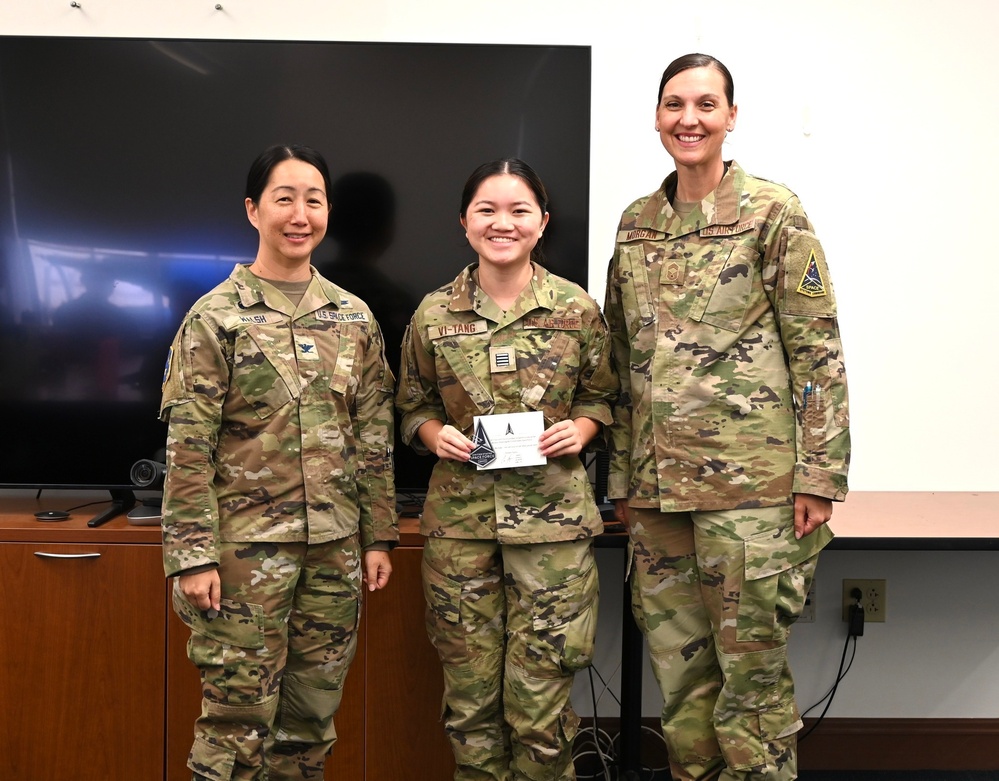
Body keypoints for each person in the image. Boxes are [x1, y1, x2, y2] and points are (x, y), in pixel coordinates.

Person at [604, 54, 851, 781]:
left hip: (752, 494)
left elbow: (817, 350)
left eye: (706, 105)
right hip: (655, 498)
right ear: (656, 116)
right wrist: (620, 475)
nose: (689, 118)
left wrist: (819, 476)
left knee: (750, 684)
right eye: (674, 104)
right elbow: (617, 360)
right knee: (681, 687)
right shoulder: (634, 225)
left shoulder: (772, 211)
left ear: (730, 117)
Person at [159, 144, 398, 781]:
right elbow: (188, 448)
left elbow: (372, 438)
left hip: (334, 552)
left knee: (312, 725)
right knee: (236, 725)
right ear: (253, 210)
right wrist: (193, 556)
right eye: (284, 198)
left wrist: (378, 537)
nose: (300, 213)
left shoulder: (353, 316)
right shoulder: (214, 318)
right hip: (242, 559)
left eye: (313, 199)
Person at [396, 158, 618, 781]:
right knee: (468, 706)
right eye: (487, 210)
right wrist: (435, 435)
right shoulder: (433, 314)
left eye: (519, 210)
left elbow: (605, 395)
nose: (503, 223)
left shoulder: (575, 309)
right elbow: (409, 406)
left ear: (542, 223)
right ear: (464, 222)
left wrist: (584, 427)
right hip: (460, 534)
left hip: (551, 534)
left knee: (540, 709)